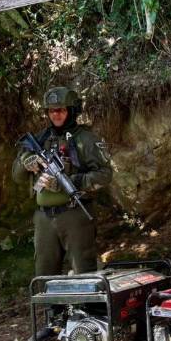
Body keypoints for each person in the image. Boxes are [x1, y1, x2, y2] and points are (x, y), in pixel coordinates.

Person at [12, 87, 112, 276]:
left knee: (84, 271)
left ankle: (89, 306)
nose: (56, 114)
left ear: (72, 111)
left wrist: (71, 182)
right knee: (44, 273)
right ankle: (52, 307)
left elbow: (105, 175)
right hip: (43, 218)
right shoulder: (39, 139)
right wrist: (25, 162)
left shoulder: (85, 139)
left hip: (75, 214)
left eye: (61, 110)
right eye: (51, 110)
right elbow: (16, 177)